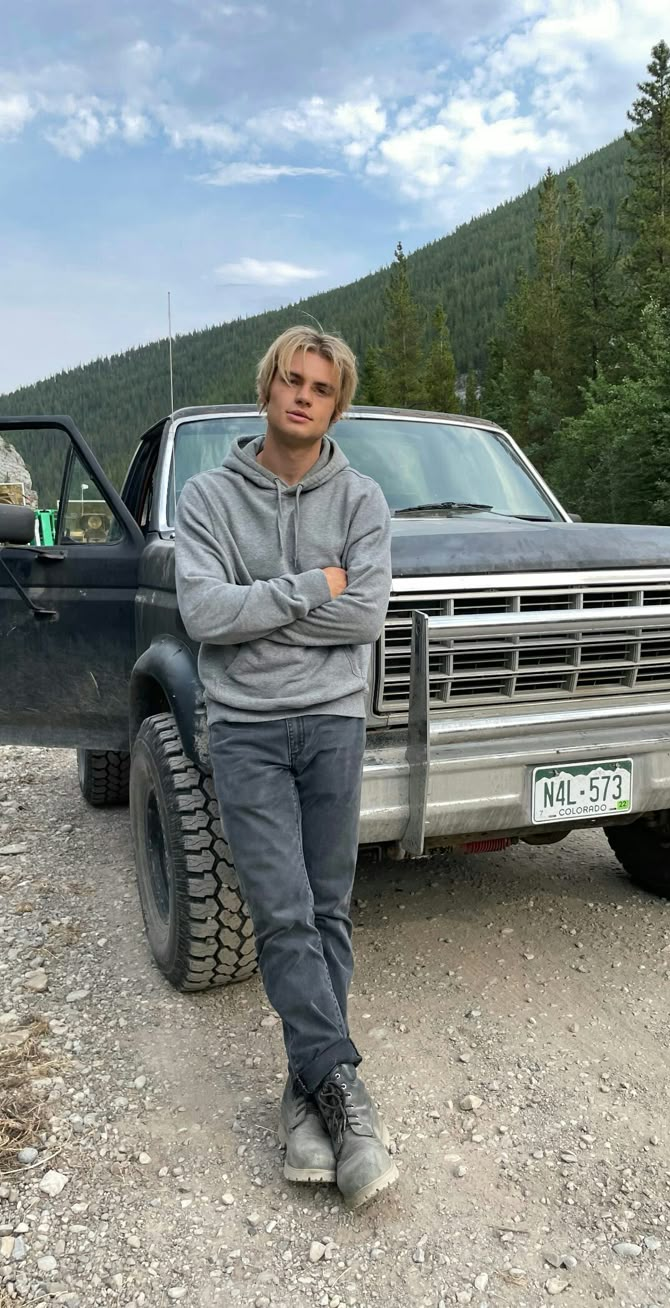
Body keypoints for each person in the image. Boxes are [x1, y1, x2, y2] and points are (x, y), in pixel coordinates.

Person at [174, 326, 396, 1210]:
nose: (303, 395)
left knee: (329, 907)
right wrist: (315, 586)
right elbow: (203, 612)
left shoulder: (363, 498)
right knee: (282, 911)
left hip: (334, 723)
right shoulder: (206, 497)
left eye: (321, 387)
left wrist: (263, 609)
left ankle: (307, 1093)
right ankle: (343, 1089)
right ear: (268, 389)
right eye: (291, 381)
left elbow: (369, 614)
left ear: (336, 404)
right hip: (248, 731)